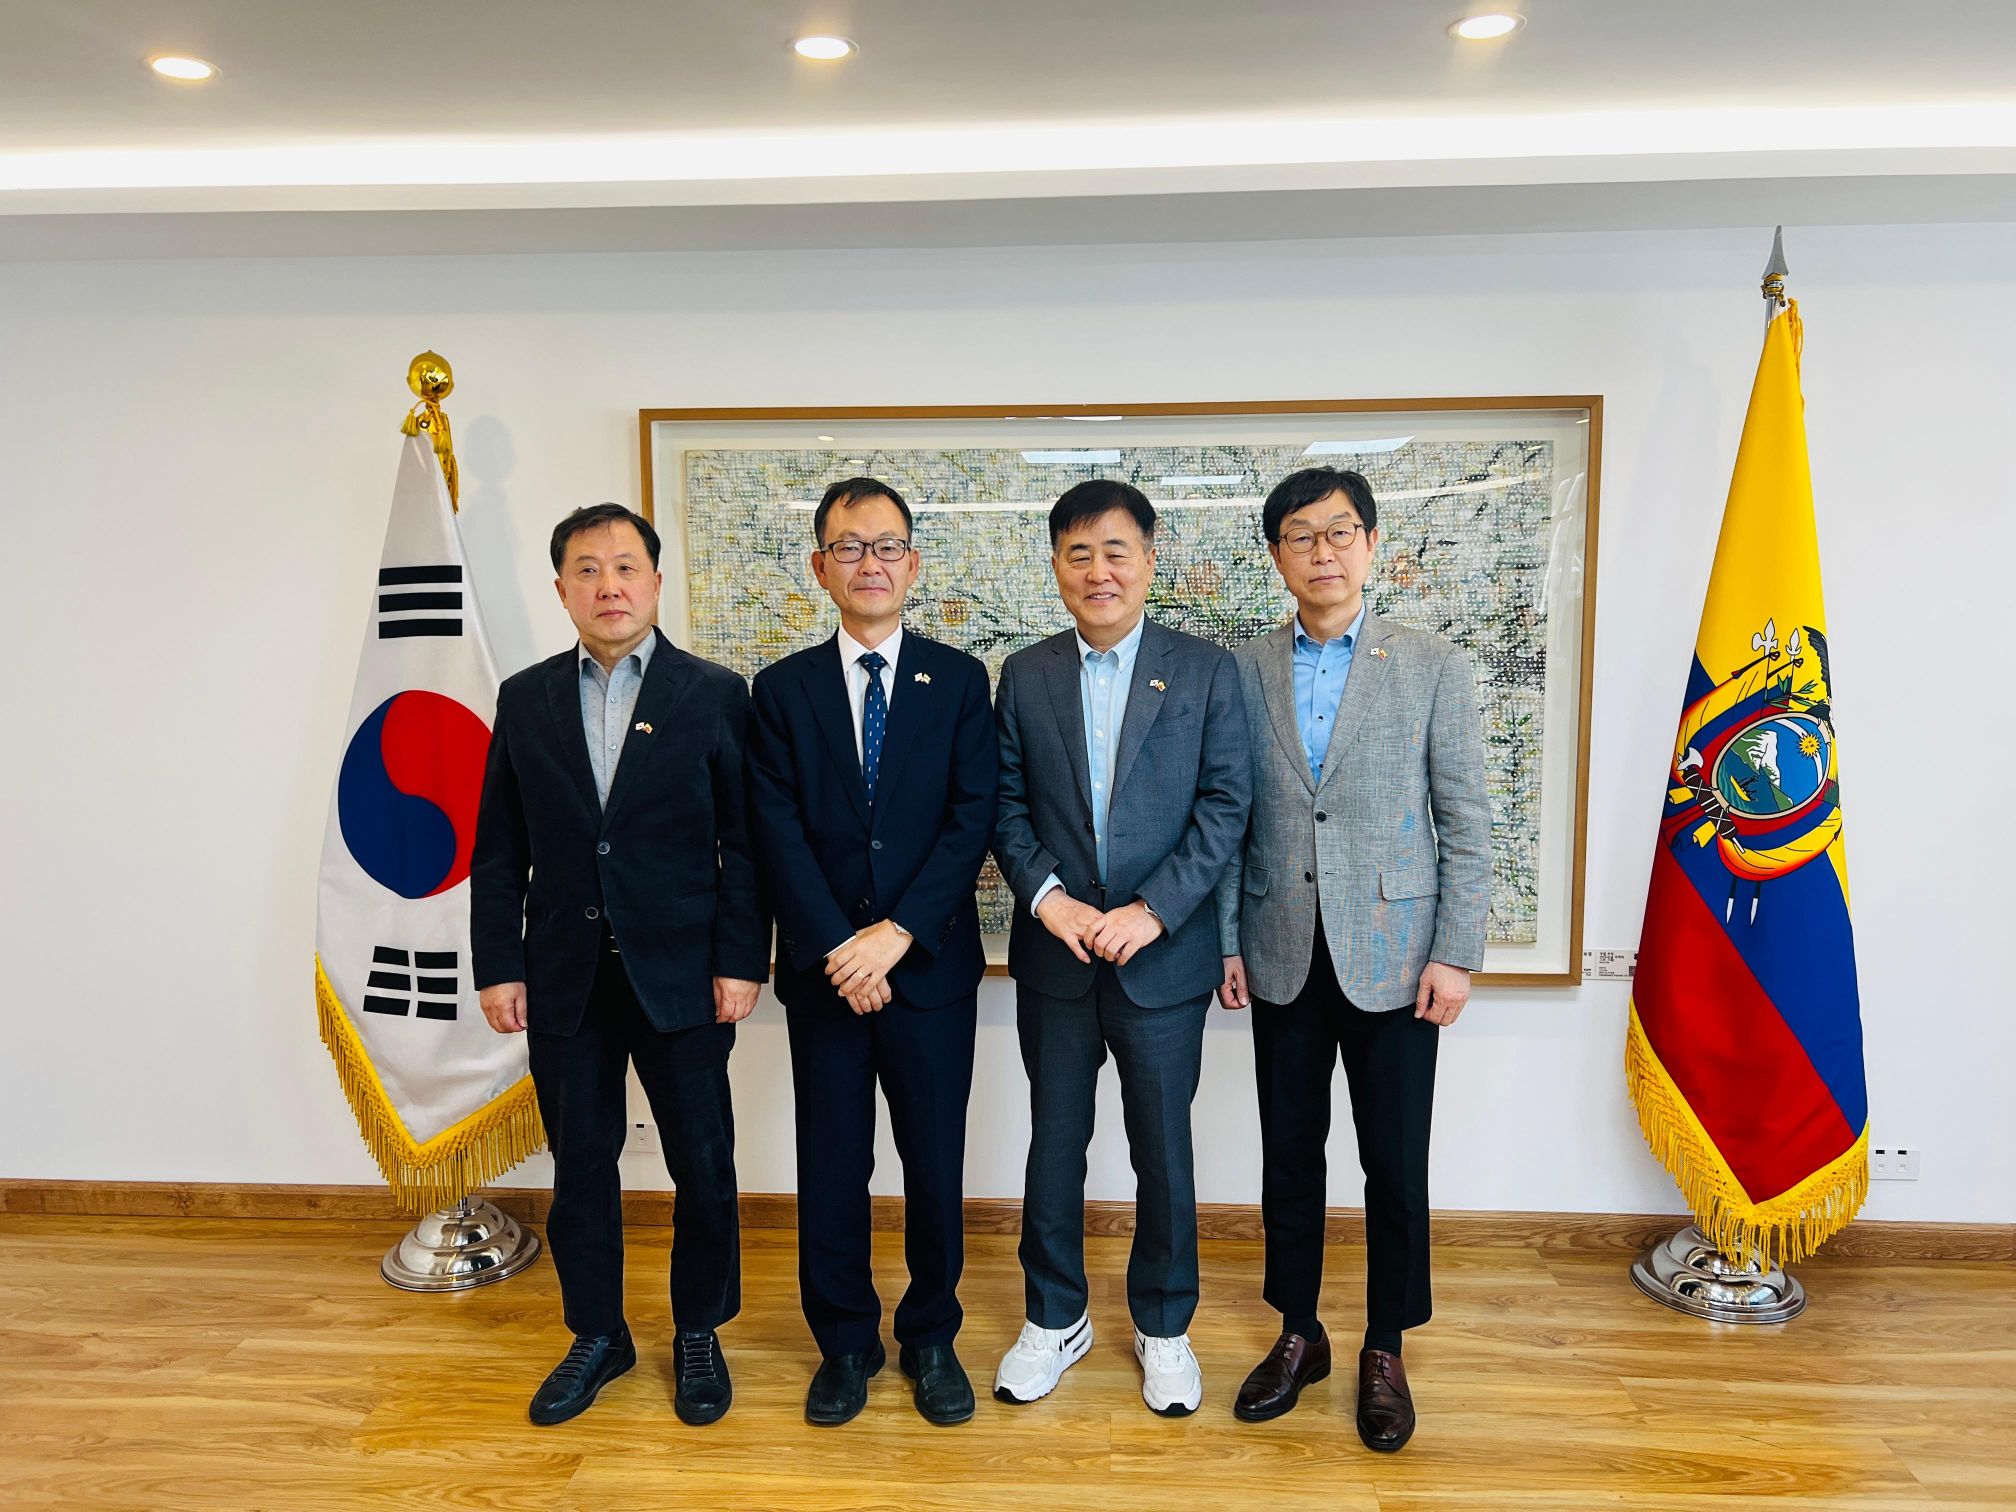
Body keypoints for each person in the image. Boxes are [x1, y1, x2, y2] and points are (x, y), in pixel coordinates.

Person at [470, 503, 767, 1427]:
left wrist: (740, 961)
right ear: (562, 590)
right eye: (588, 571)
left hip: (683, 974)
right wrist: (498, 964)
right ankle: (598, 1333)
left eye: (626, 567)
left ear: (656, 582)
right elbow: (497, 847)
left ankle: (698, 1330)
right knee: (582, 1170)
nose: (610, 586)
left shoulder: (713, 693)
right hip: (562, 974)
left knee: (703, 1165)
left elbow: (744, 844)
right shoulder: (525, 697)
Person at [1215, 467, 1490, 1452]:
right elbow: (1228, 815)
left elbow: (1466, 820)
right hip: (1280, 948)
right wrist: (1226, 940)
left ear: (1371, 545)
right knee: (1289, 1154)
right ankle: (1300, 1331)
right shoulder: (1240, 670)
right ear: (1276, 555)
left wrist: (1455, 953)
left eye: (1339, 533)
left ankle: (1384, 1345)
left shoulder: (1431, 665)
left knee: (1393, 1162)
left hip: (1398, 954)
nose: (1322, 552)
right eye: (1301, 535)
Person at [990, 479, 1251, 1418]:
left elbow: (1226, 805)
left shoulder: (1207, 670)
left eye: (1115, 552)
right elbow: (1005, 805)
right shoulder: (1025, 673)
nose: (1098, 571)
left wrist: (1154, 911)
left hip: (1162, 961)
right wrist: (1049, 900)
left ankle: (1164, 1325)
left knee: (1163, 1151)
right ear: (1056, 567)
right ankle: (1054, 1318)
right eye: (1078, 554)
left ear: (1149, 559)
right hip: (1056, 957)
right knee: (1054, 1146)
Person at [746, 478, 998, 1428]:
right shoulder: (781, 691)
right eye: (849, 547)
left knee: (933, 1165)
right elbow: (776, 832)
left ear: (913, 563)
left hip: (927, 972)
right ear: (821, 567)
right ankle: (845, 1342)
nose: (870, 563)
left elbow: (971, 819)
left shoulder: (960, 681)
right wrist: (839, 950)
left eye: (887, 545)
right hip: (826, 982)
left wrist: (894, 937)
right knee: (832, 1167)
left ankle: (931, 1336)